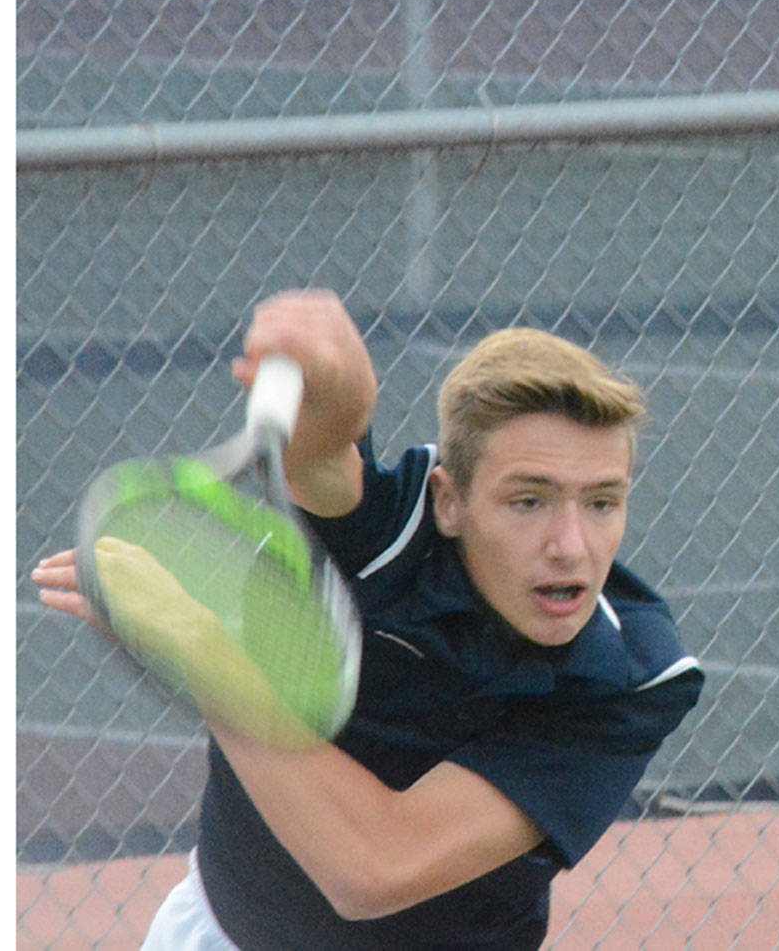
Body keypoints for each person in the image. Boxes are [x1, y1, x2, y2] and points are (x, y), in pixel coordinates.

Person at [34, 290, 704, 949]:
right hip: (223, 930)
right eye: (529, 501)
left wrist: (202, 651)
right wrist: (343, 388)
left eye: (602, 502)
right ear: (449, 500)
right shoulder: (391, 530)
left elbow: (374, 865)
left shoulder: (630, 673)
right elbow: (323, 450)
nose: (571, 544)